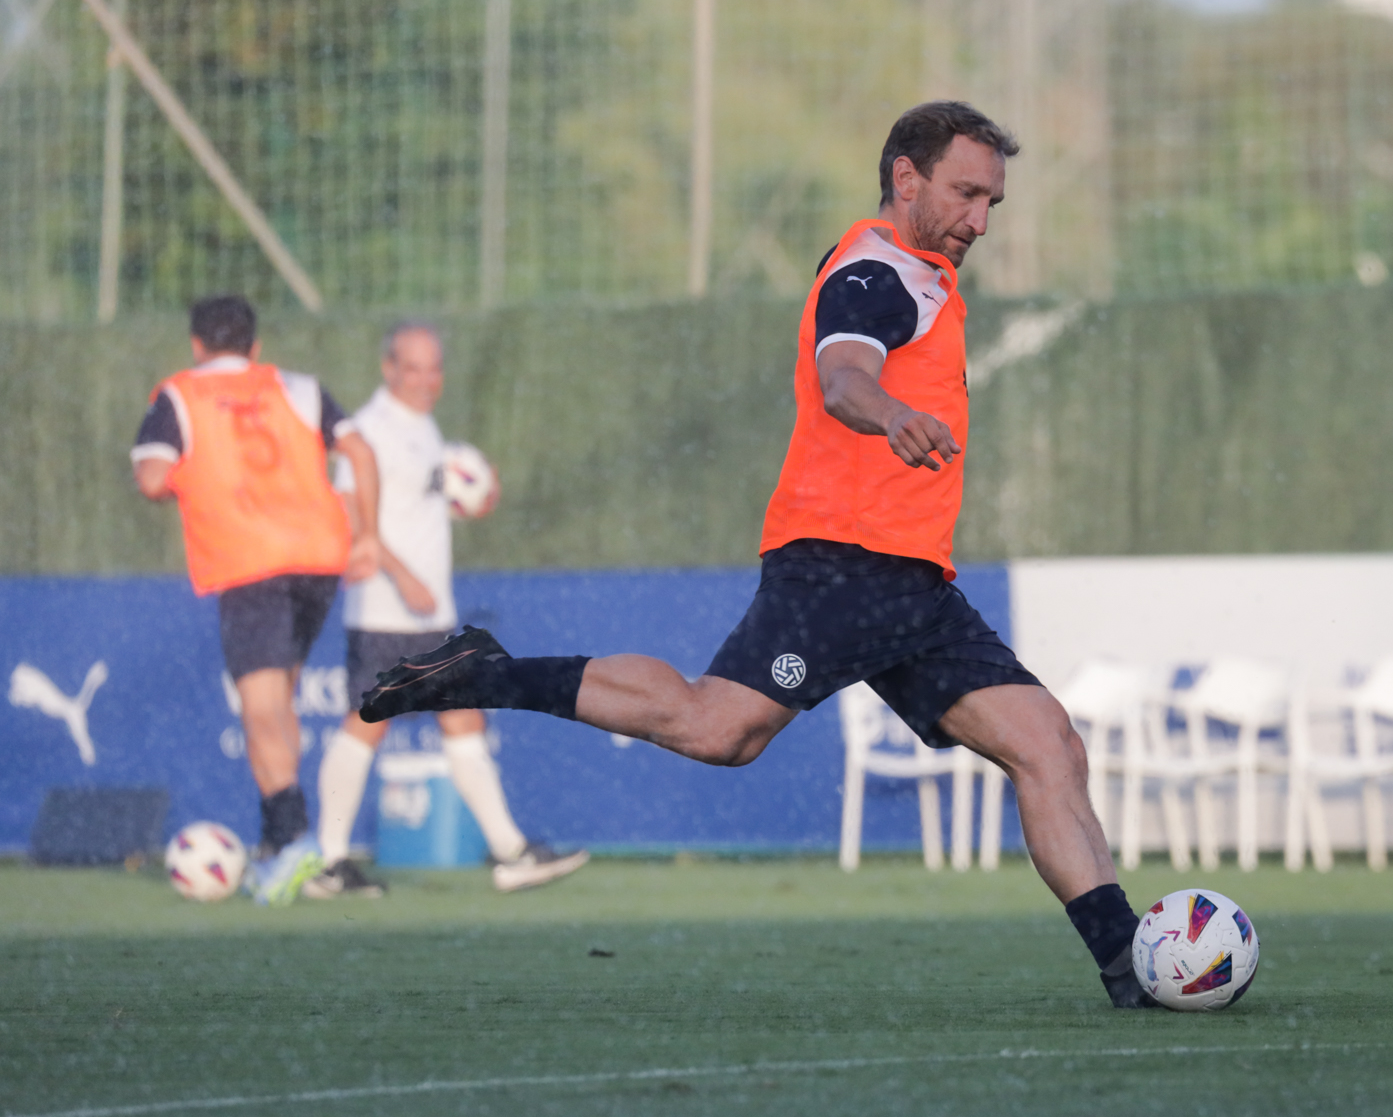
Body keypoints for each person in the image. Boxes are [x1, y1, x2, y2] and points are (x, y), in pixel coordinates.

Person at [359, 101, 1154, 1007]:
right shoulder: (874, 273)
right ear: (906, 178)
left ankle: (1133, 966)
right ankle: (486, 672)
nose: (980, 220)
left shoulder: (921, 274)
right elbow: (843, 374)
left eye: (992, 203)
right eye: (966, 194)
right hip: (841, 566)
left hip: (916, 585)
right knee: (718, 730)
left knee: (1049, 744)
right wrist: (889, 411)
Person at [307, 322, 590, 897]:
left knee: (464, 721)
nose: (425, 380)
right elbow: (348, 509)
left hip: (428, 616)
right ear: (388, 369)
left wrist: (475, 494)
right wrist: (402, 576)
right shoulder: (371, 428)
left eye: (434, 368)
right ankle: (330, 861)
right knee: (365, 727)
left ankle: (511, 853)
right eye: (413, 368)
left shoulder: (423, 426)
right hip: (386, 610)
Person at [132, 295, 381, 906]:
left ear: (196, 345)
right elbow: (360, 452)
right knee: (280, 699)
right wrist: (368, 536)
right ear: (256, 347)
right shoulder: (299, 388)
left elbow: (152, 479)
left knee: (261, 709)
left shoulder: (180, 396)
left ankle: (294, 841)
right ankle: (276, 844)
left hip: (250, 563)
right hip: (319, 559)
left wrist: (203, 481)